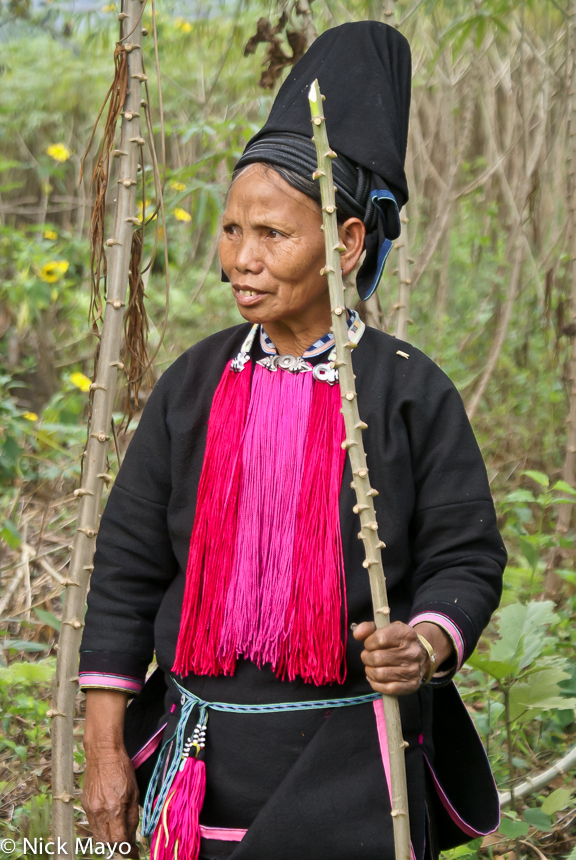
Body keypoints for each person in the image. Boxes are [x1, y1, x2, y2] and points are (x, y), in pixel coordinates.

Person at [79, 21, 507, 860]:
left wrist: (420, 644)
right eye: (233, 229)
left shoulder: (410, 391)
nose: (241, 257)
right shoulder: (192, 388)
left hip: (354, 769)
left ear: (345, 244)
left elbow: (466, 558)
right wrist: (103, 751)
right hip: (201, 763)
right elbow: (128, 571)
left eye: (273, 234)